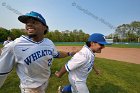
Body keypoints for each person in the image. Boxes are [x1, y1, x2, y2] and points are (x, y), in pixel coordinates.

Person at [0, 11, 74, 93]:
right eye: (27, 23)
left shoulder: (48, 42)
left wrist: (69, 53)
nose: (29, 24)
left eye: (34, 22)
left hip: (45, 82)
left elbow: (56, 54)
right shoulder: (15, 46)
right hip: (30, 89)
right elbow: (1, 72)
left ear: (44, 27)